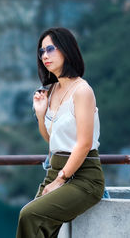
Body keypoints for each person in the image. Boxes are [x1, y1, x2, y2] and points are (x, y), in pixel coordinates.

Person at [16, 27, 105, 238]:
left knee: (29, 215)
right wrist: (41, 114)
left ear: (66, 50)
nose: (45, 55)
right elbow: (52, 140)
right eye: (41, 52)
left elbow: (83, 144)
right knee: (41, 229)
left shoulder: (82, 90)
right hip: (56, 171)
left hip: (84, 178)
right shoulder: (52, 90)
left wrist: (60, 180)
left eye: (50, 49)